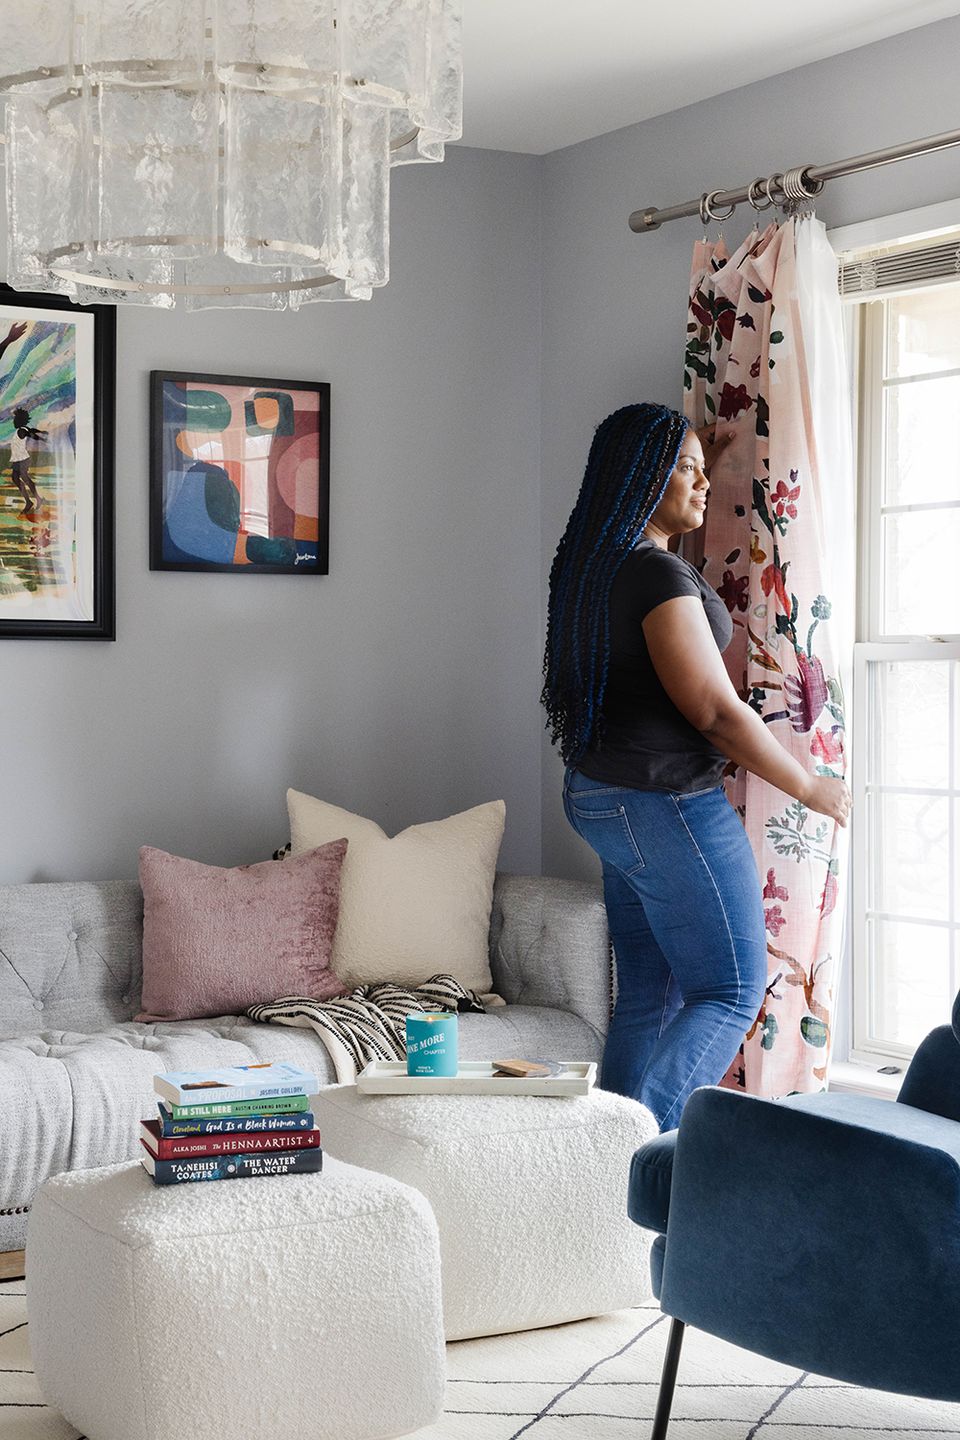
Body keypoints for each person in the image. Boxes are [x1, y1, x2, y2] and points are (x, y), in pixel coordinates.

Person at [541, 402, 850, 1131]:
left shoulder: (595, 566)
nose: (704, 484)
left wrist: (692, 453)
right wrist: (809, 786)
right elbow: (713, 710)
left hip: (602, 795)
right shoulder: (656, 577)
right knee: (731, 991)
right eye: (686, 471)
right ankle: (636, 1153)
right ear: (643, 478)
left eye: (702, 470)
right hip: (664, 803)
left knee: (650, 995)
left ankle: (606, 1164)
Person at [9, 406, 47, 515]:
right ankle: (31, 501)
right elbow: (31, 431)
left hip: (22, 460)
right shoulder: (23, 428)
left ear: (19, 421)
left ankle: (35, 500)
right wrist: (41, 432)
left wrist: (41, 438)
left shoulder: (21, 430)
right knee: (16, 478)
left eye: (15, 420)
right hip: (18, 459)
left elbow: (31, 434)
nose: (14, 422)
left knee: (24, 478)